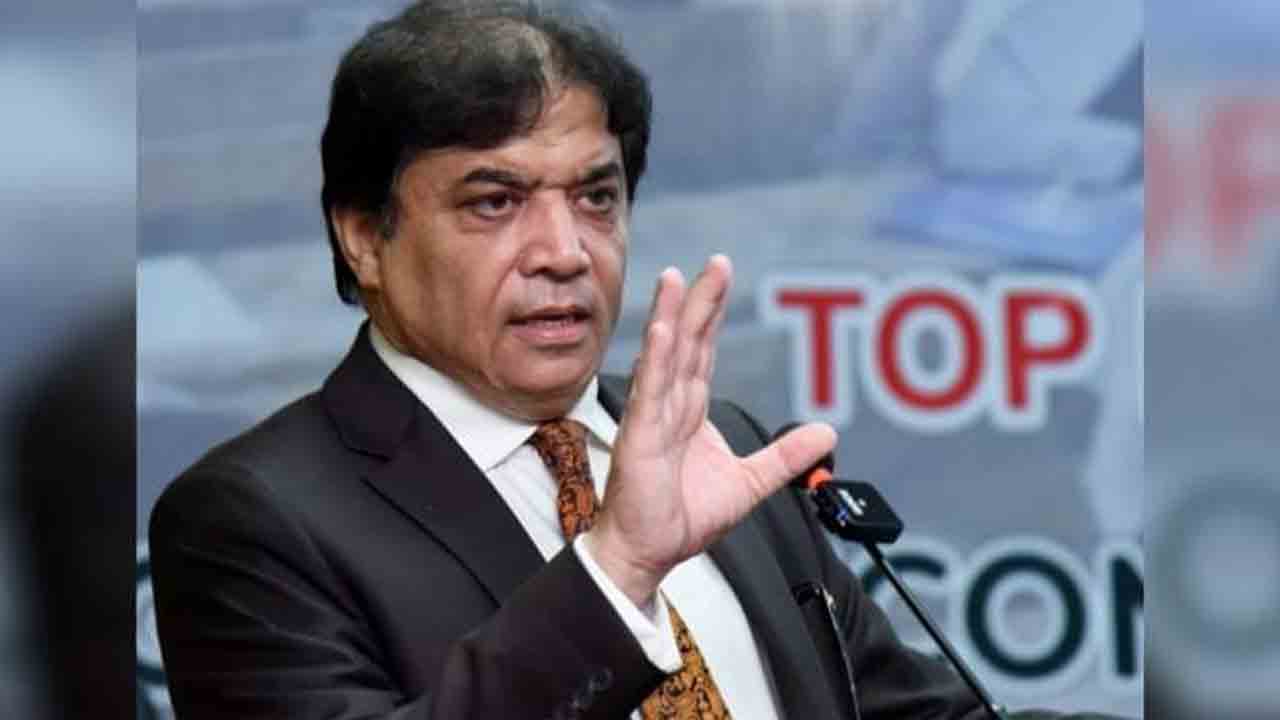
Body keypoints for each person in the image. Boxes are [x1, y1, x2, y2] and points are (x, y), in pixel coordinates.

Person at [149, 2, 1118, 718]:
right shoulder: (253, 520)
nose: (564, 251)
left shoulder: (719, 444)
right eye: (494, 202)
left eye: (596, 197)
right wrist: (616, 570)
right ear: (365, 236)